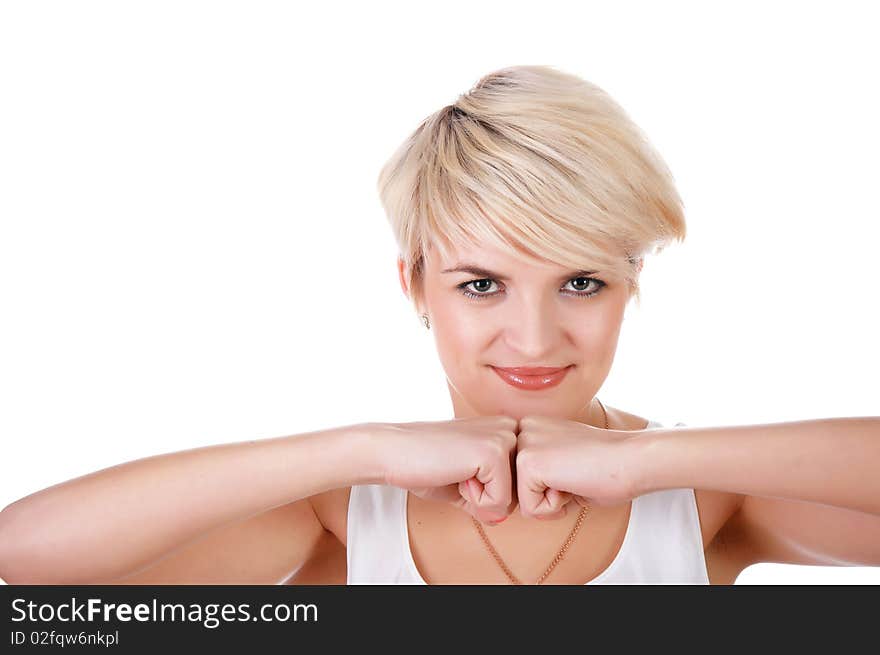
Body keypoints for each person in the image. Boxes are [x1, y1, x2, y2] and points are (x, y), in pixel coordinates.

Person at [0, 65, 877, 586]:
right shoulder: (343, 513)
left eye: (581, 280)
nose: (533, 340)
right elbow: (23, 561)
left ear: (631, 281)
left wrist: (645, 461)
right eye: (482, 284)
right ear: (415, 285)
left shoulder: (706, 499)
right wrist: (363, 449)